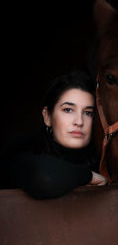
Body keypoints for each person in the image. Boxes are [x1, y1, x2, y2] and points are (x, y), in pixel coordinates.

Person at [0, 69, 107, 198]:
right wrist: (88, 176)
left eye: (88, 112)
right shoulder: (23, 151)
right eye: (68, 110)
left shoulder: (104, 159)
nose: (79, 121)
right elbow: (45, 178)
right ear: (47, 117)